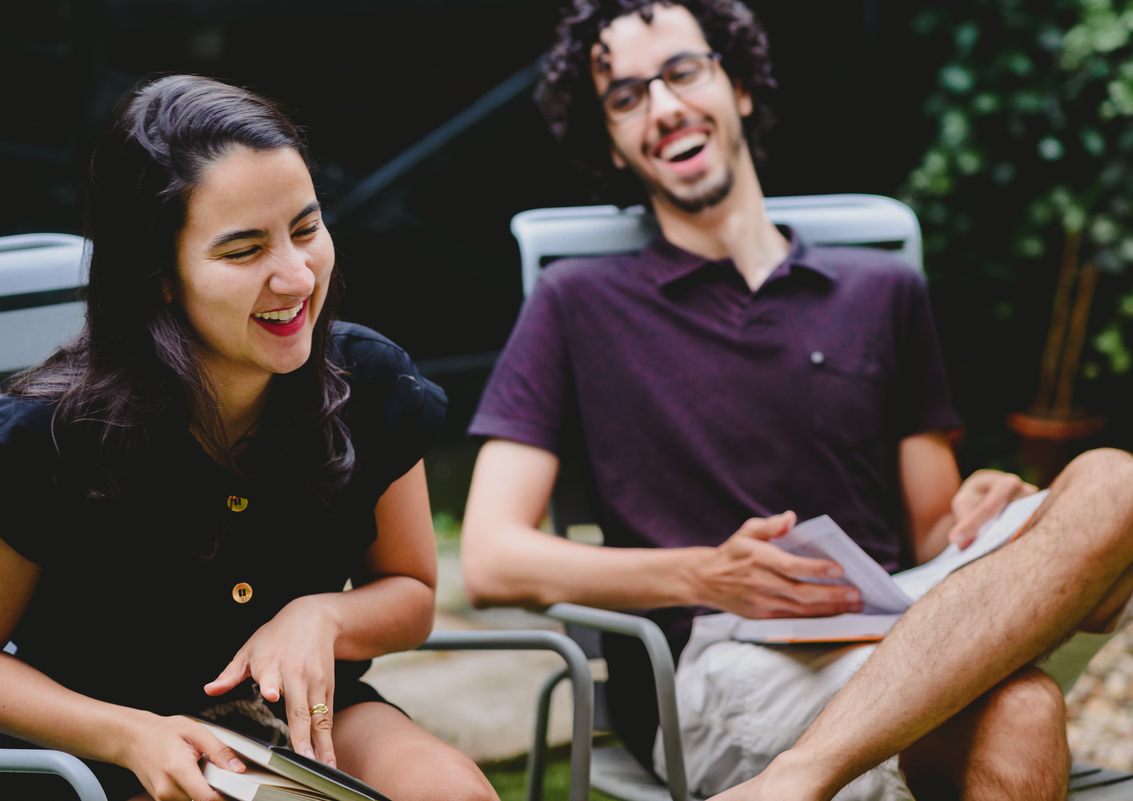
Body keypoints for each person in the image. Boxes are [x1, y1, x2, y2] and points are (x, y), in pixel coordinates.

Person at [459, 1, 1133, 798]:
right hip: (723, 655)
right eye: (627, 97)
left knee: (1115, 481)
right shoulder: (577, 301)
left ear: (739, 85)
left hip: (905, 621)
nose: (664, 107)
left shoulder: (883, 290)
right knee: (1019, 709)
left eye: (683, 72)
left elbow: (933, 532)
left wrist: (985, 508)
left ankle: (793, 781)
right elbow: (492, 557)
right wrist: (705, 574)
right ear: (610, 139)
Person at [0, 75, 498, 801]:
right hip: (103, 756)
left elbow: (412, 592)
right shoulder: (36, 444)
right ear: (158, 274)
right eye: (243, 250)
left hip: (295, 731)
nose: (295, 275)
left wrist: (323, 614)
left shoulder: (370, 382)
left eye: (306, 229)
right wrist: (128, 734)